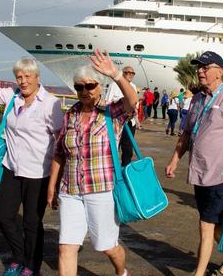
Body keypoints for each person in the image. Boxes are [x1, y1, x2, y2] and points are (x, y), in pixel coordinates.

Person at [0, 56, 64, 276]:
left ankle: (31, 266)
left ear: (37, 77)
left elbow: (60, 142)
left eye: (27, 76)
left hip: (38, 173)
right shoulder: (13, 96)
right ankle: (18, 257)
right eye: (19, 76)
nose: (23, 80)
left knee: (31, 222)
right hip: (12, 167)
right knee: (2, 214)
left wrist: (56, 181)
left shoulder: (51, 103)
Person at [47, 49, 138, 276]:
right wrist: (52, 187)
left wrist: (116, 74)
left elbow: (132, 101)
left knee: (106, 246)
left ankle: (121, 272)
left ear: (100, 87)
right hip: (70, 190)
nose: (84, 91)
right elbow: (60, 152)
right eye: (79, 87)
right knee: (66, 246)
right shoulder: (71, 115)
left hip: (101, 190)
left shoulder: (111, 112)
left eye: (90, 86)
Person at [165, 51, 223, 276]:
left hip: (222, 173)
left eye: (205, 66)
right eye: (199, 67)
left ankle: (199, 272)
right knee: (215, 224)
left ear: (219, 71)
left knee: (206, 224)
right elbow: (185, 133)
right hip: (200, 172)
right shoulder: (196, 99)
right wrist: (175, 159)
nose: (200, 70)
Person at [104, 66, 138, 166]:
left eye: (133, 73)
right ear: (122, 73)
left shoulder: (133, 86)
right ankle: (112, 169)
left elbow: (135, 103)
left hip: (130, 121)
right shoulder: (113, 86)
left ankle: (125, 169)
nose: (131, 74)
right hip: (117, 122)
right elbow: (108, 102)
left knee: (128, 148)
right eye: (128, 72)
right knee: (114, 146)